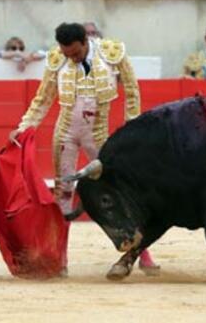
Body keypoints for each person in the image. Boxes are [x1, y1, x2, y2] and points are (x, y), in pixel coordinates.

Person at [8, 22, 159, 274]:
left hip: (98, 135)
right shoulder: (58, 59)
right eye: (67, 54)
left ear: (85, 41)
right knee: (63, 195)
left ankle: (142, 255)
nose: (72, 59)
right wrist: (23, 127)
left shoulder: (111, 53)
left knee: (118, 192)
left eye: (76, 54)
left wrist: (132, 128)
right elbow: (43, 98)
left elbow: (132, 90)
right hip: (65, 133)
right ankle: (60, 260)